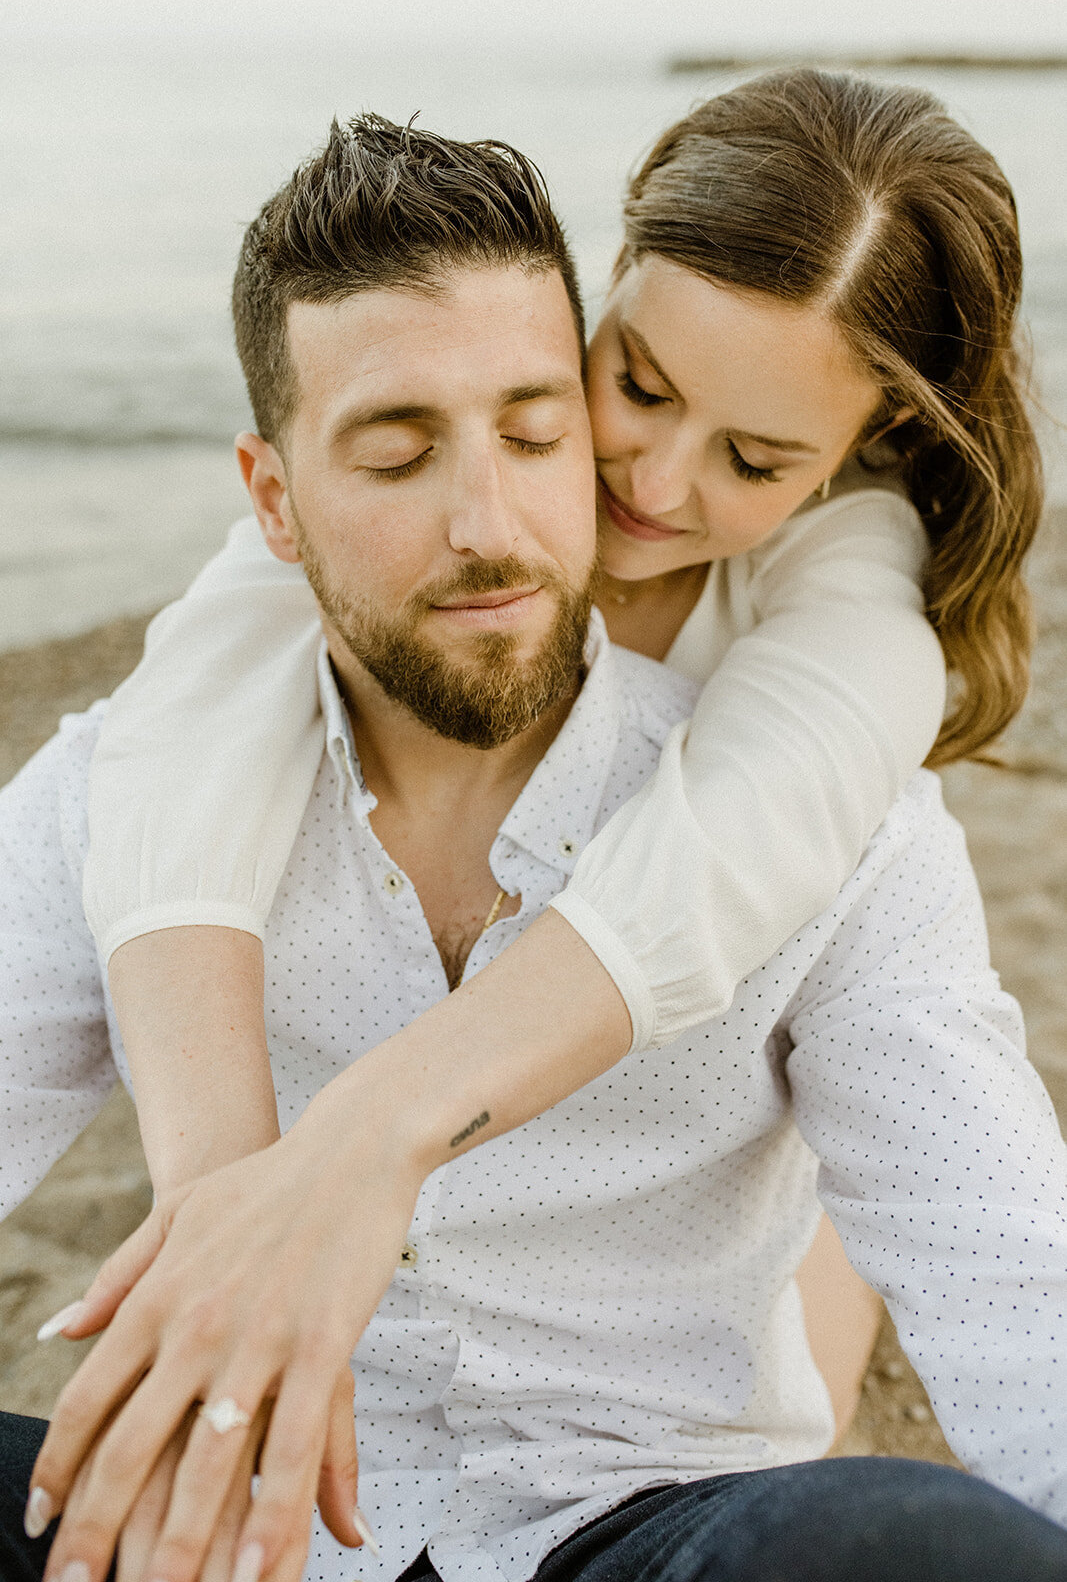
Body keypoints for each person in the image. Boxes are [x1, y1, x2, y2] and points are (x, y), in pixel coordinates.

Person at [4, 89, 1061, 1579]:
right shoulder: (174, 727)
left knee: (913, 1542)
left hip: (630, 1509)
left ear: (856, 447)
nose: (647, 481)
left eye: (752, 460)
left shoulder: (841, 734)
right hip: (246, 1532)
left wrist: (368, 1142)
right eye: (630, 387)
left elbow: (1012, 1277)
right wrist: (218, 1208)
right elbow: (171, 728)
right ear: (274, 500)